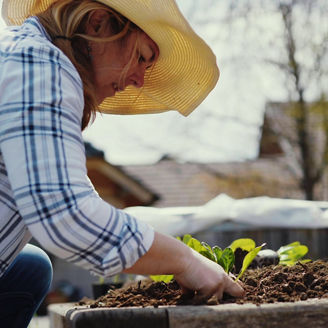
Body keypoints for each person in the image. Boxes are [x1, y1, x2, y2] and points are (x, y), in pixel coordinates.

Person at [0, 0, 244, 326]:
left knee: (31, 267)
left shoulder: (23, 56)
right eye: (142, 57)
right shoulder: (40, 66)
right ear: (98, 23)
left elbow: (76, 194)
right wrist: (184, 260)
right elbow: (67, 215)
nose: (140, 80)